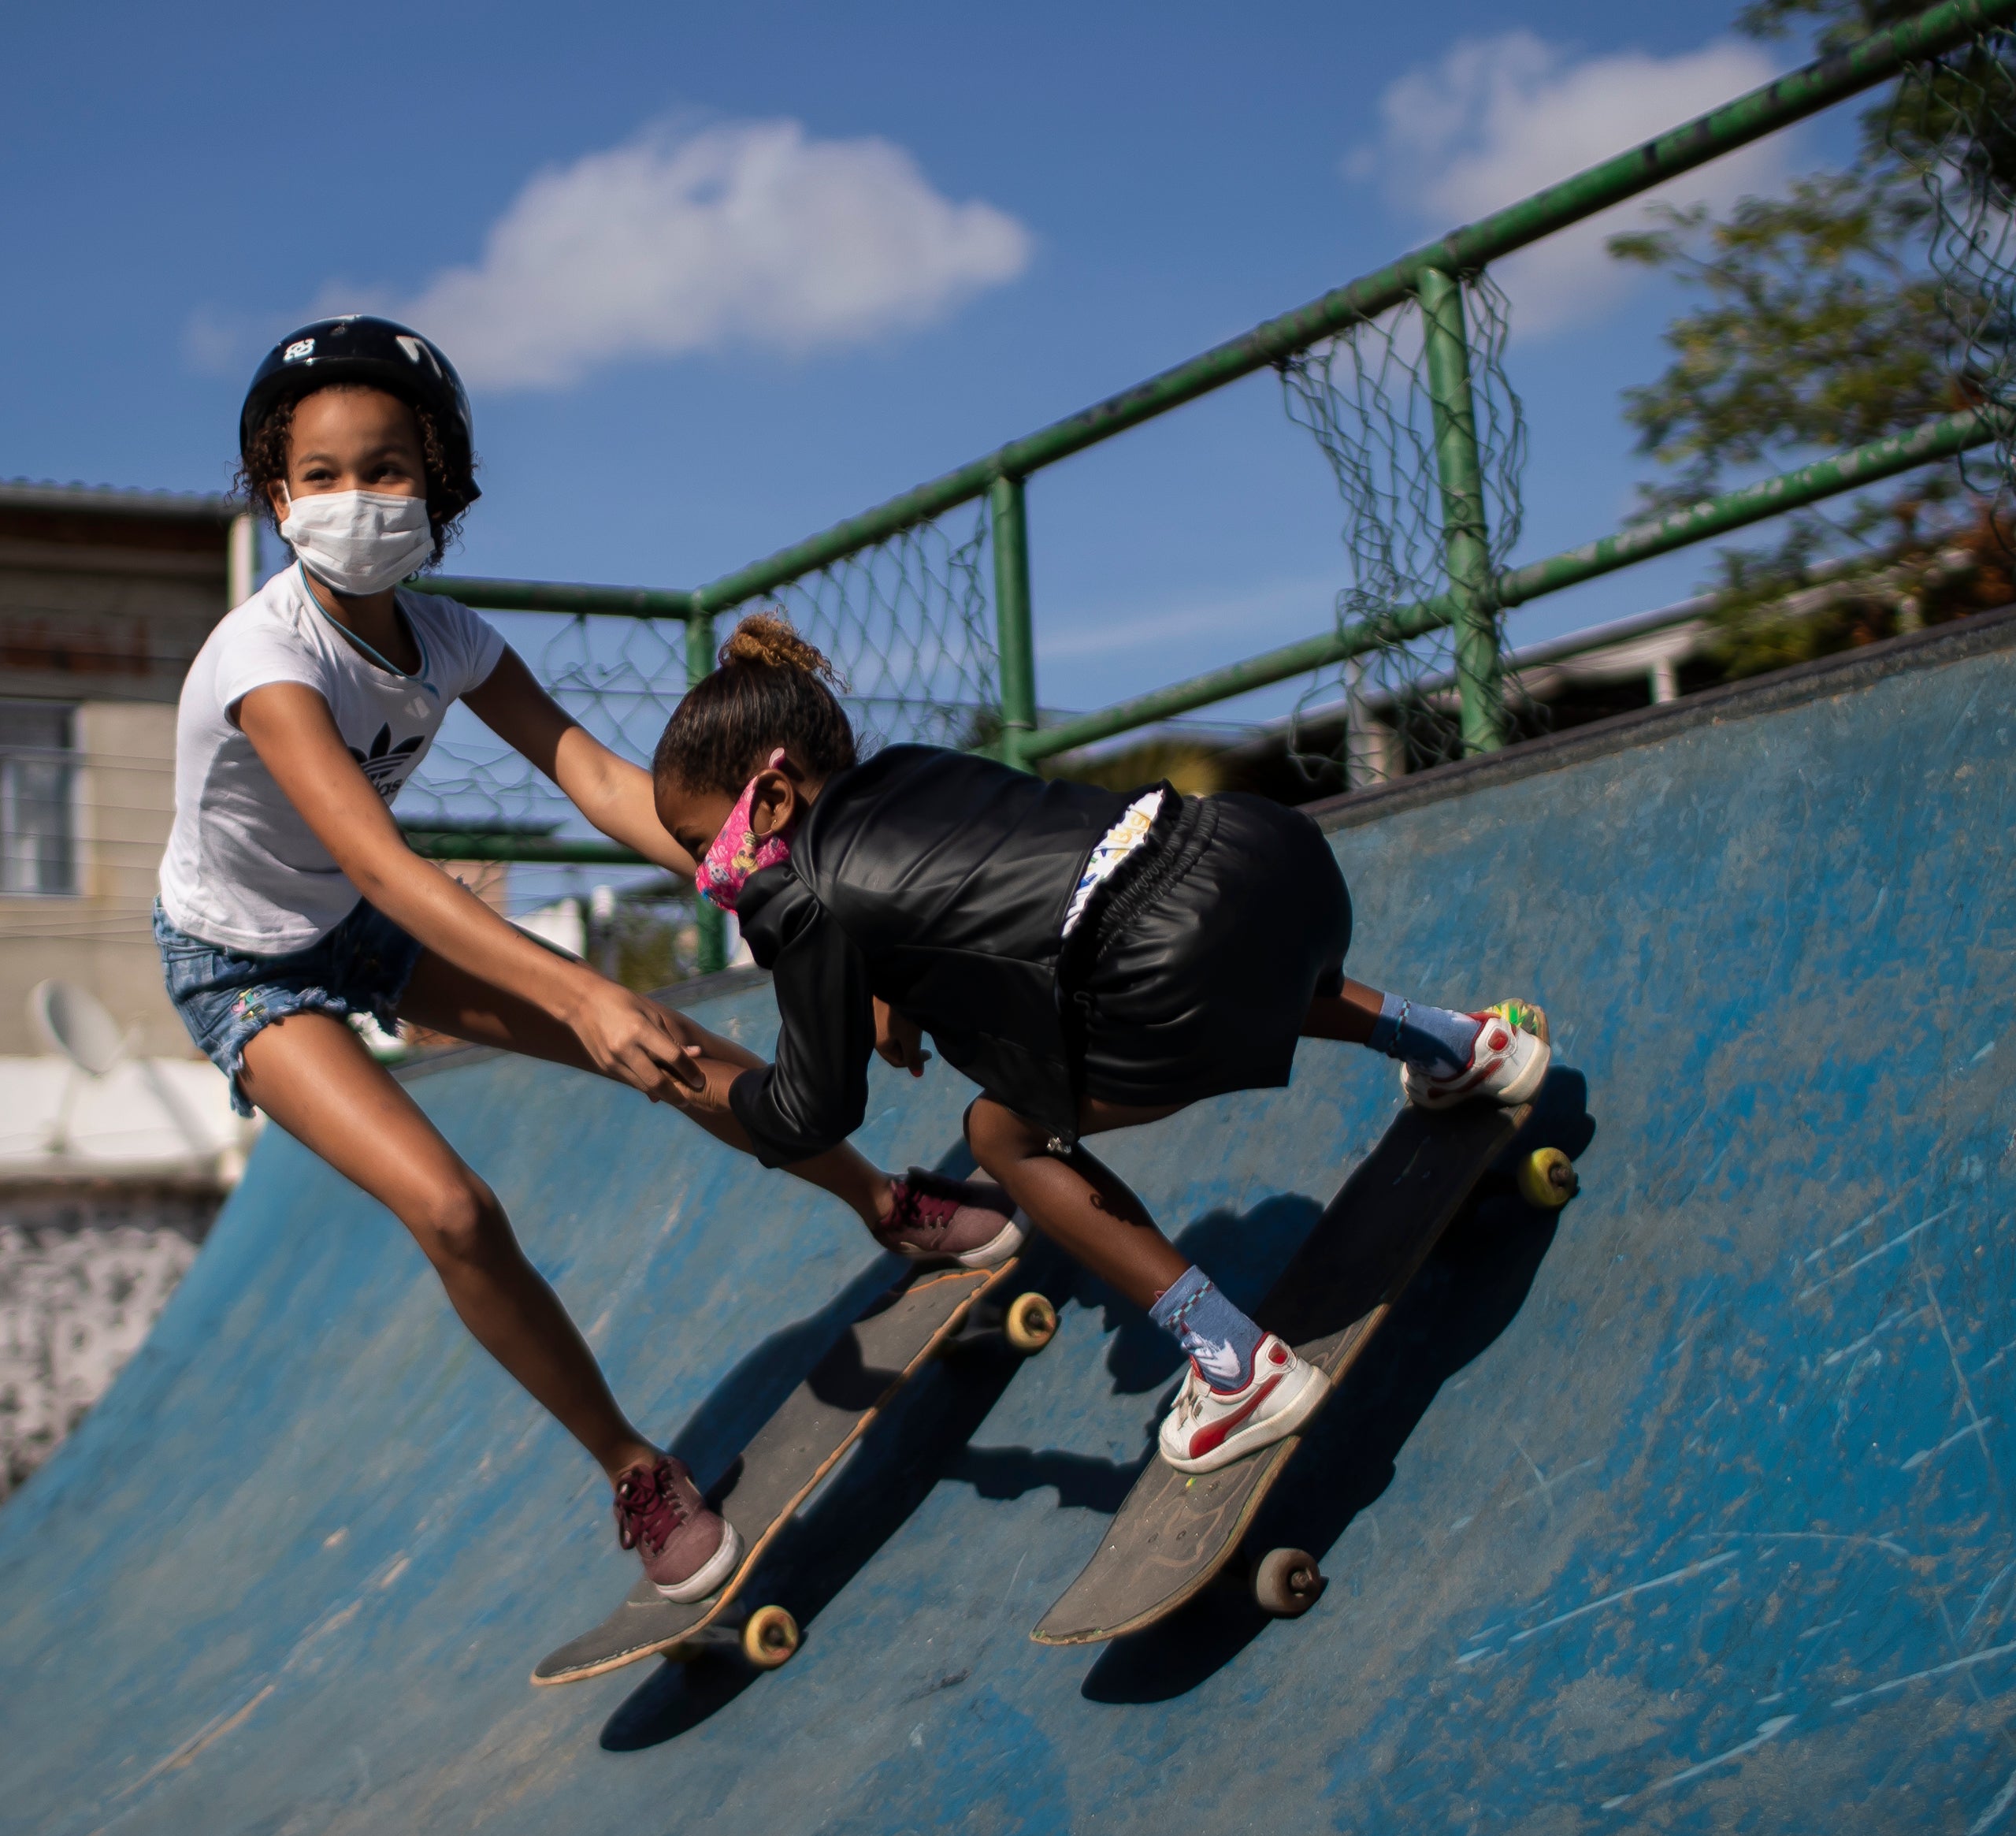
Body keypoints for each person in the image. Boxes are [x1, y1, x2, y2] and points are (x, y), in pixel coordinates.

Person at [160, 317, 1019, 1604]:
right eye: (321, 475)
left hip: (358, 913)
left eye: (385, 468)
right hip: (245, 962)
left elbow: (607, 782)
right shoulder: (265, 660)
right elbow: (391, 866)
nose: (354, 499)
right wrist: (579, 991)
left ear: (439, 480)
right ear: (277, 496)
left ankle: (883, 1201)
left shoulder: (449, 640)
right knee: (452, 1207)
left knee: (668, 1047)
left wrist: (792, 890)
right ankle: (631, 1467)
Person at [648, 615, 1550, 1475]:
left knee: (1000, 1134)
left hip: (1172, 973)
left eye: (700, 844)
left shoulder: (791, 894)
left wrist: (703, 1088)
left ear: (767, 798)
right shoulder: (912, 771)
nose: (705, 876)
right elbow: (985, 896)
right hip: (1266, 856)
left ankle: (1234, 1364)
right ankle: (1461, 1046)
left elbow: (816, 1107)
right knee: (1229, 959)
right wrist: (890, 992)